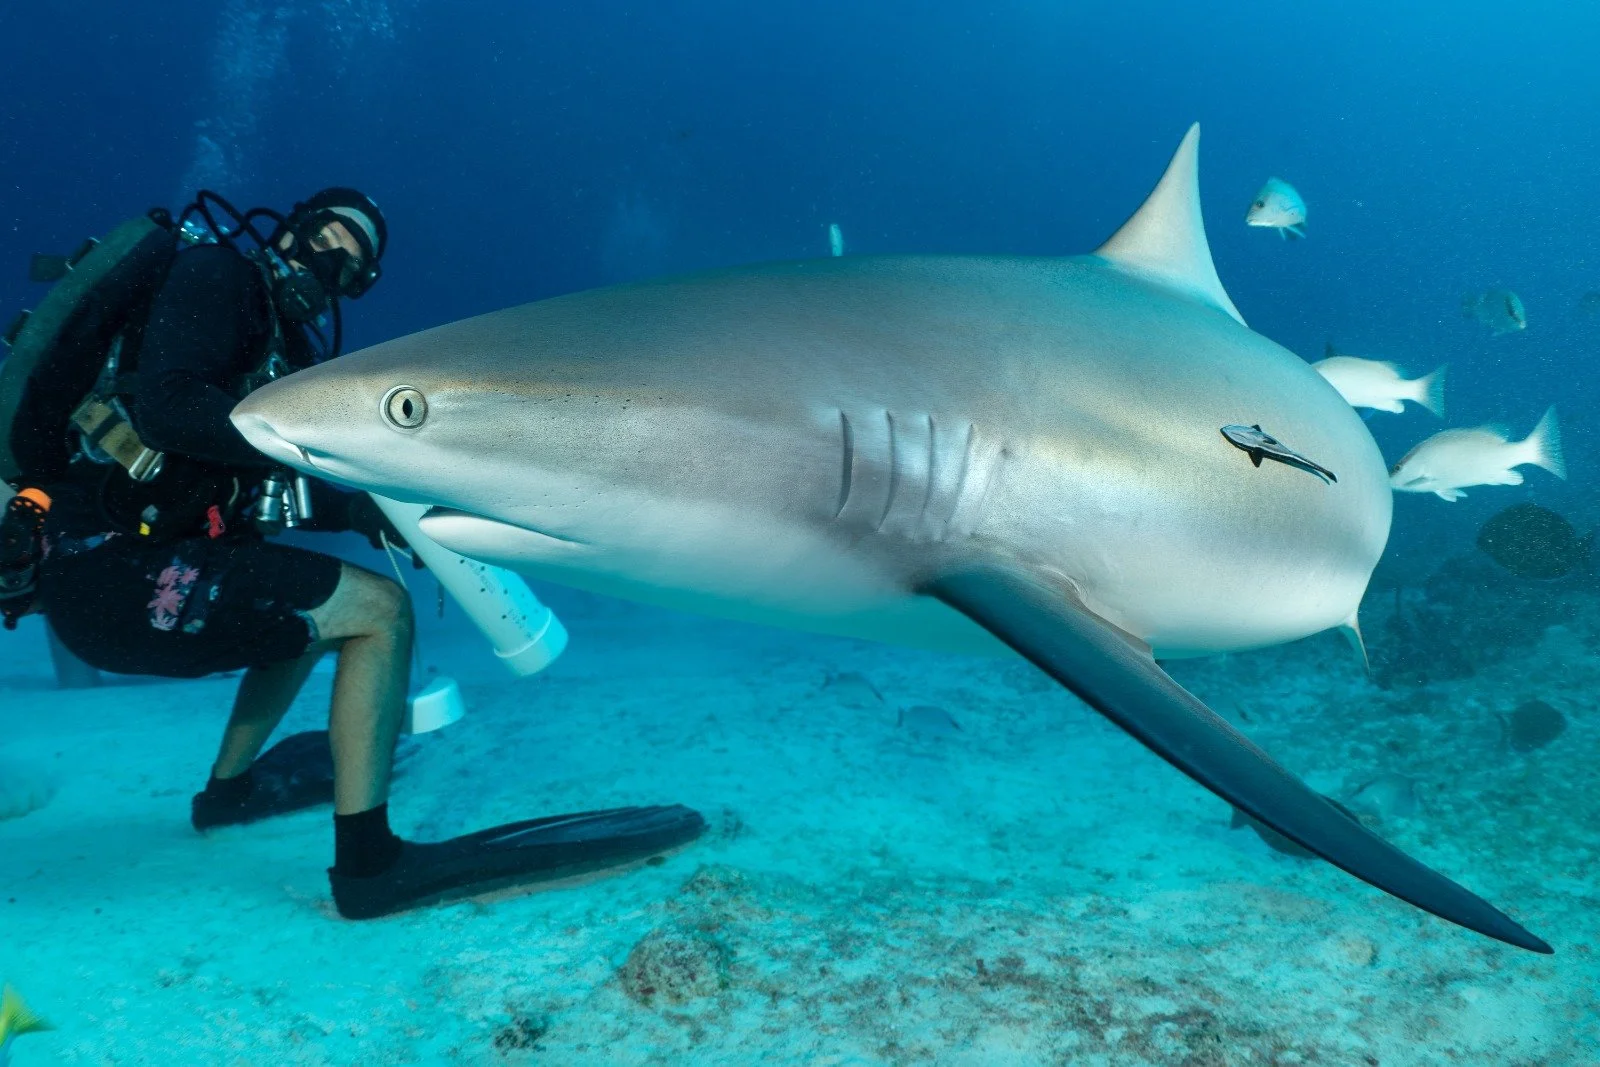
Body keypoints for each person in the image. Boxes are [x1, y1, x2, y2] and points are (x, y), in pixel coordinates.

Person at [28, 189, 704, 918]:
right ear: (288, 232)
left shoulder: (276, 356)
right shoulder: (219, 276)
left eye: (356, 268)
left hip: (130, 584)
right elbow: (165, 410)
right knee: (378, 610)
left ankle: (227, 794)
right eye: (331, 240)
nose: (336, 266)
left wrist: (357, 507)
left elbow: (246, 495)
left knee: (305, 605)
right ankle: (369, 866)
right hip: (109, 571)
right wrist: (330, 451)